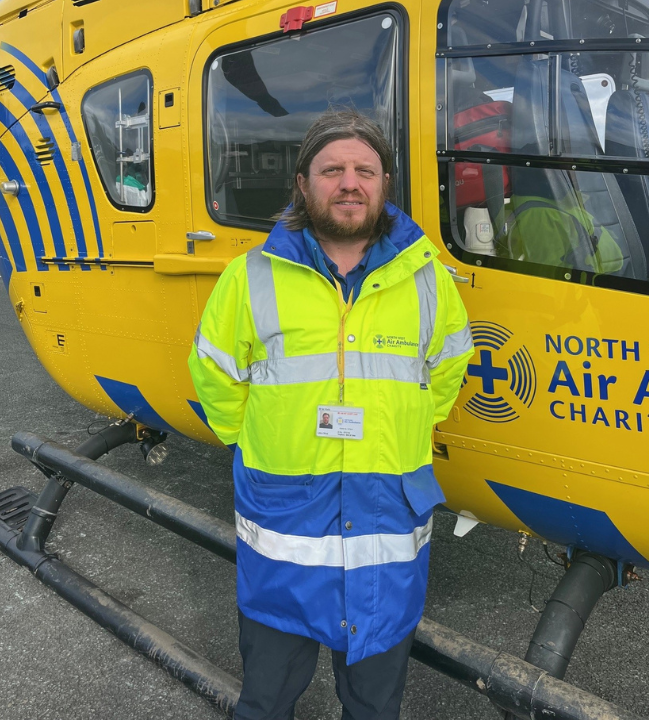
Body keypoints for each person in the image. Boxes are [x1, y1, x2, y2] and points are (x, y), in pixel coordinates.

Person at [188, 109, 473, 720]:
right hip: (286, 526)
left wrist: (404, 431)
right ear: (303, 183)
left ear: (385, 183)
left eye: (365, 169)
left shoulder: (429, 280)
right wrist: (258, 440)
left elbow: (446, 372)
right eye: (332, 169)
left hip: (385, 530)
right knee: (265, 700)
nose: (350, 183)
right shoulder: (250, 276)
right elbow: (214, 374)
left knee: (374, 707)